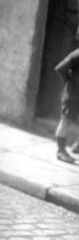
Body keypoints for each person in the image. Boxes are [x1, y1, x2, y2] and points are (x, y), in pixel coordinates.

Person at [54, 31, 79, 163]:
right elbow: (59, 68)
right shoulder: (76, 55)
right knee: (66, 122)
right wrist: (69, 81)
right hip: (72, 96)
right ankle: (61, 151)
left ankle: (77, 147)